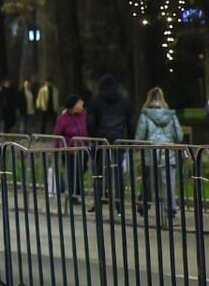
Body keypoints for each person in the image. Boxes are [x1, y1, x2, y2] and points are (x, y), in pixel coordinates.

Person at [136, 87, 184, 221]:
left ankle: (144, 205)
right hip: (169, 152)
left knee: (148, 182)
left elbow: (140, 136)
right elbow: (179, 135)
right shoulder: (171, 115)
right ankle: (170, 208)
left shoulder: (145, 115)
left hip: (150, 153)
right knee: (168, 182)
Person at [90, 75, 135, 209]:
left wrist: (94, 138)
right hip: (118, 141)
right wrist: (130, 141)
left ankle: (98, 200)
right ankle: (119, 203)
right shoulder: (124, 102)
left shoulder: (95, 102)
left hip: (101, 142)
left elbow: (90, 123)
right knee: (118, 172)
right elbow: (131, 123)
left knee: (99, 172)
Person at [53, 95, 89, 205]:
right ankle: (73, 195)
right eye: (79, 103)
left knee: (81, 170)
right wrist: (61, 148)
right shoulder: (63, 119)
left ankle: (77, 191)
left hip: (83, 149)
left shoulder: (84, 116)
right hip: (70, 151)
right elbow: (58, 134)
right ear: (72, 106)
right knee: (72, 172)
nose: (81, 104)